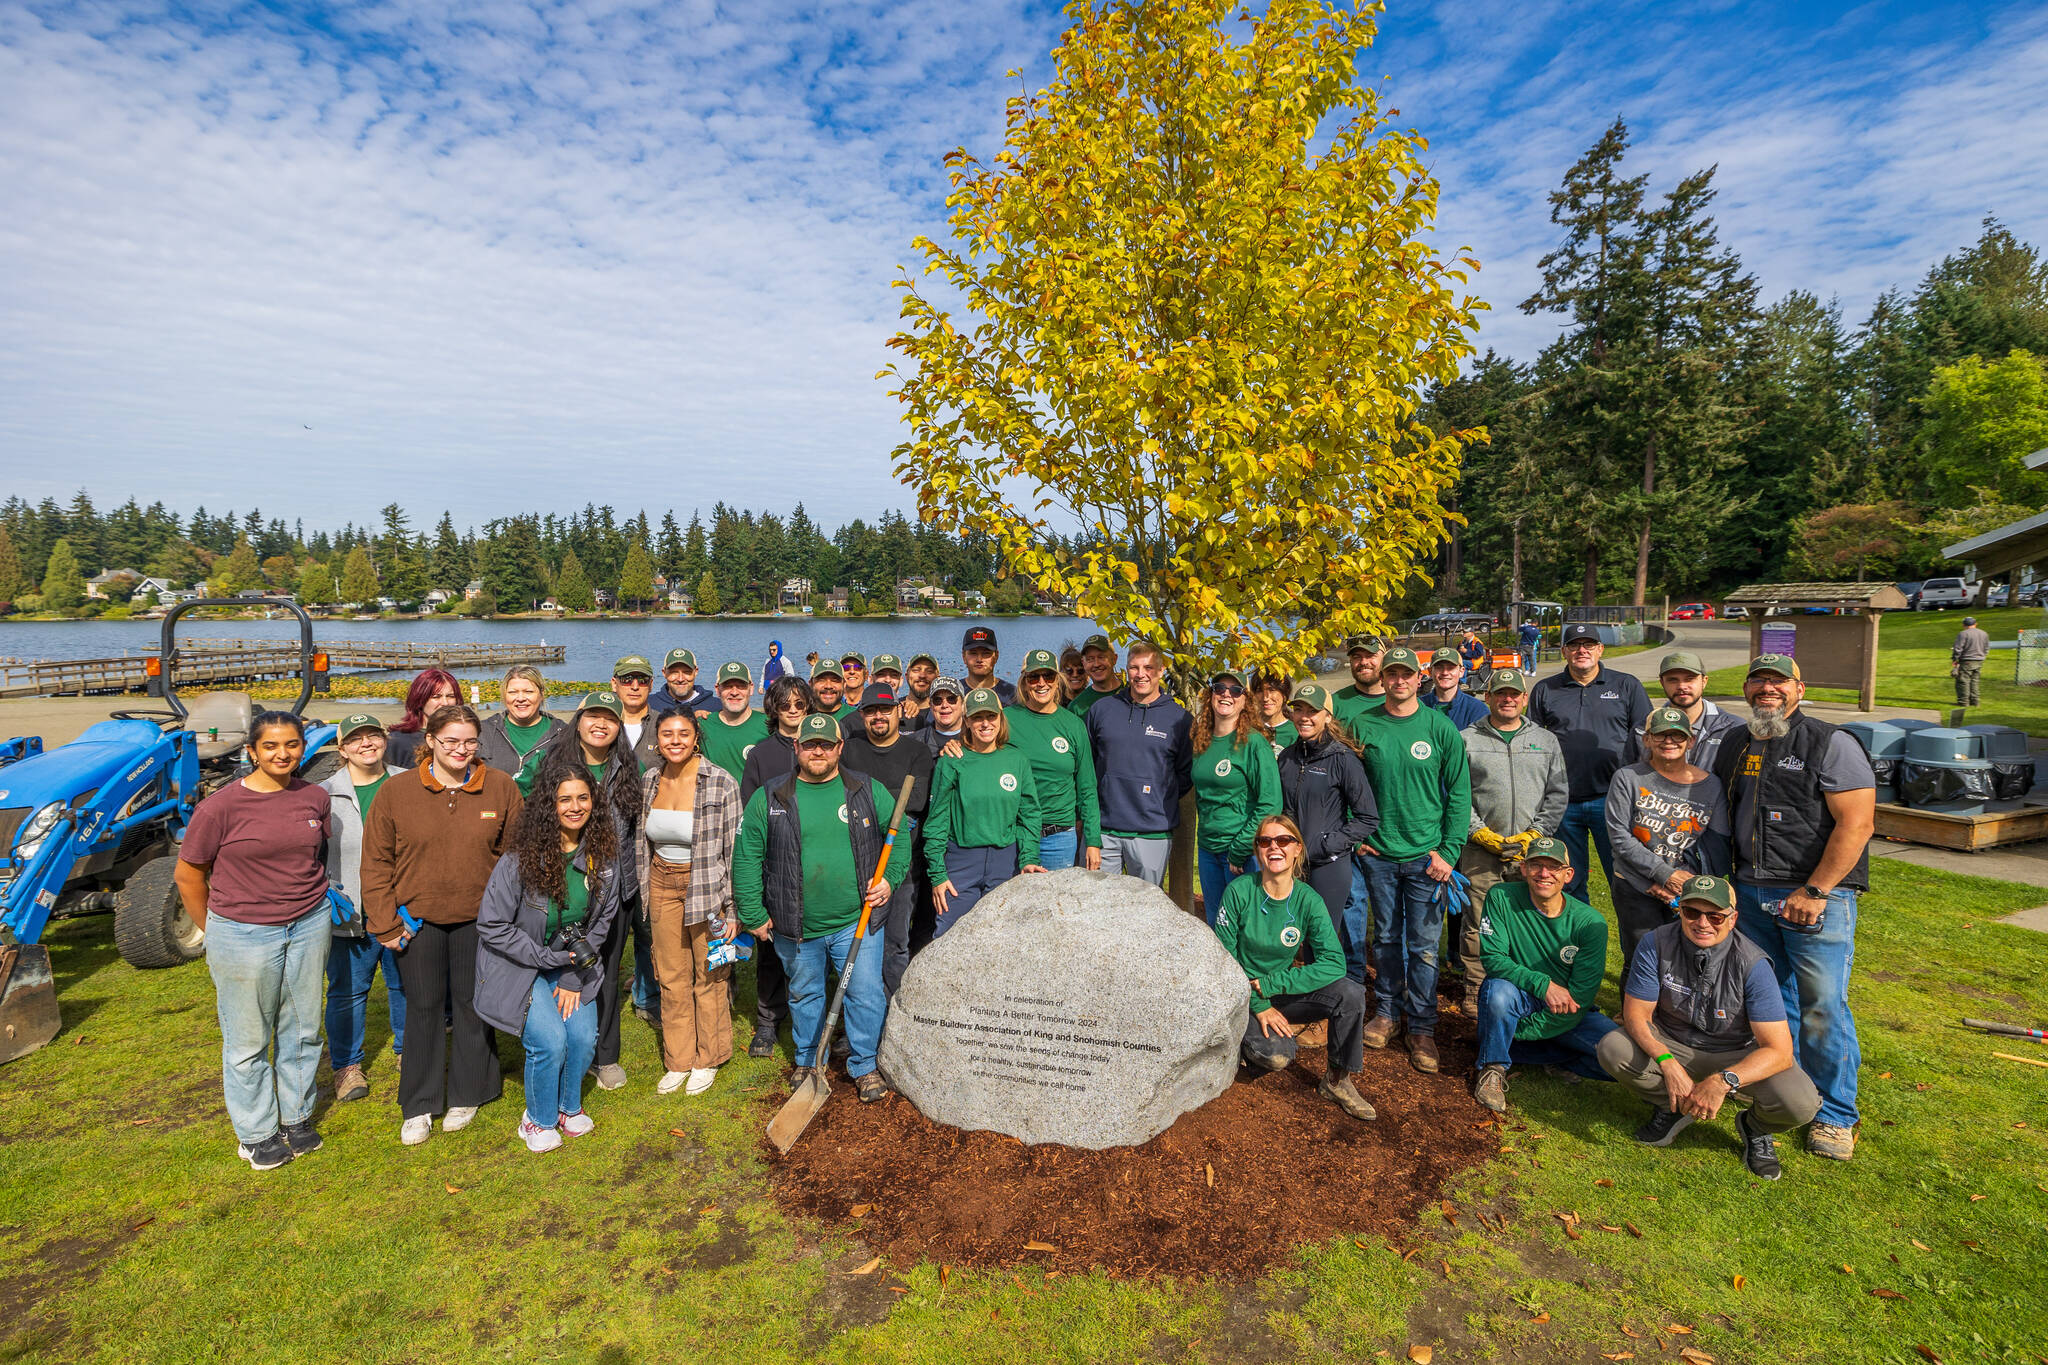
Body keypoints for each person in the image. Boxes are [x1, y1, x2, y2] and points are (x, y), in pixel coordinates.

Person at [1711, 654, 1875, 1163]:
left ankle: (1836, 1114)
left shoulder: (1831, 742)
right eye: (1759, 682)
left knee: (1822, 1005)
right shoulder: (1737, 743)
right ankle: (1789, 1094)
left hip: (1813, 896)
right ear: (1746, 689)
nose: (1767, 690)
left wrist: (1818, 890)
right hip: (1751, 893)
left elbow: (1857, 824)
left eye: (1778, 683)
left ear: (1799, 689)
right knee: (1771, 1003)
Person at [175, 711, 333, 1171]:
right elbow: (188, 876)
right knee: (248, 1040)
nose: (282, 754)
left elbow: (312, 857)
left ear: (303, 747)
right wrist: (218, 932)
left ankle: (296, 1118)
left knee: (302, 1028)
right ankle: (257, 1133)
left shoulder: (314, 797)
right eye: (270, 746)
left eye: (291, 745)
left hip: (308, 923)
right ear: (252, 752)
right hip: (243, 932)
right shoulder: (220, 808)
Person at [362, 704, 523, 1146]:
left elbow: (516, 860)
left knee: (474, 1006)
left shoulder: (501, 788)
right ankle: (419, 1102)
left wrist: (511, 919)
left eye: (470, 742)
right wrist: (385, 923)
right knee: (424, 1007)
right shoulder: (397, 792)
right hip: (418, 922)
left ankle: (471, 1090)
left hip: (481, 922)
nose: (461, 750)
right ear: (429, 740)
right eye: (450, 741)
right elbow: (376, 862)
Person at [1597, 874, 1822, 1181]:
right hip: (1672, 1042)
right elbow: (1636, 1016)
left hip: (1734, 1054)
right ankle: (1673, 1105)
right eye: (1692, 912)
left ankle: (1755, 1128)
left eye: (1715, 915)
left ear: (1732, 919)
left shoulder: (1753, 963)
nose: (1702, 923)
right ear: (1681, 911)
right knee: (1612, 1047)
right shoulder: (1655, 943)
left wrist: (1723, 1081)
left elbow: (1780, 1052)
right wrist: (1668, 1065)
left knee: (1800, 1102)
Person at [732, 713, 909, 1102]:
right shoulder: (770, 796)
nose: (817, 751)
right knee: (805, 994)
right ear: (796, 747)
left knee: (865, 993)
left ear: (839, 748)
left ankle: (864, 1065)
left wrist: (889, 879)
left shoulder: (866, 790)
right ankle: (810, 1060)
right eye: (809, 744)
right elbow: (745, 858)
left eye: (825, 745)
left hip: (856, 920)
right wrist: (752, 913)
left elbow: (900, 839)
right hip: (796, 925)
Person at [472, 768, 622, 1152]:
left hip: (572, 964)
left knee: (583, 1038)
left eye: (583, 798)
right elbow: (492, 925)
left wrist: (573, 975)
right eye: (564, 799)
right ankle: (536, 1121)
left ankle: (568, 1108)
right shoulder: (519, 860)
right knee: (551, 1041)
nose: (575, 807)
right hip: (520, 964)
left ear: (595, 802)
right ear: (548, 806)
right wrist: (545, 957)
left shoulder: (603, 856)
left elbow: (602, 922)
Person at [1353, 646, 1472, 1074]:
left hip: (1427, 859)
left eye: (1407, 674)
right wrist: (1357, 835)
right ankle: (1385, 1013)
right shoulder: (1363, 724)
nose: (1399, 681)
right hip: (1380, 855)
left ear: (1418, 678)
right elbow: (1347, 782)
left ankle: (1421, 1027)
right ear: (1383, 679)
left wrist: (1450, 852)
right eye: (1392, 674)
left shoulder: (1439, 728)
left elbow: (1459, 796)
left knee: (1423, 949)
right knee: (1384, 939)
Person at [1212, 815, 1377, 1121]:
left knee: (1350, 993)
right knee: (1276, 1055)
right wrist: (1260, 1004)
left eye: (1283, 841)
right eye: (1265, 841)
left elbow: (1334, 962)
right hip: (1240, 994)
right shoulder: (1239, 891)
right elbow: (1222, 959)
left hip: (1276, 989)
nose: (1274, 847)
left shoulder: (1307, 899)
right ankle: (1235, 1048)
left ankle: (1337, 1081)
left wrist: (1275, 985)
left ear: (1297, 849)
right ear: (1257, 851)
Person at [536, 691, 646, 1088]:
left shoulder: (627, 768)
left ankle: (605, 1055)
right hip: (565, 885)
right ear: (578, 721)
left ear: (619, 727)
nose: (600, 724)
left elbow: (634, 831)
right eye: (592, 716)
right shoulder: (555, 763)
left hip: (616, 889)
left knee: (608, 973)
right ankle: (559, 1046)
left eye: (610, 719)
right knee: (560, 966)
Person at [637, 709, 743, 1096]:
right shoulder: (650, 781)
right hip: (662, 883)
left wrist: (734, 908)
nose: (676, 740)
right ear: (658, 739)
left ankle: (709, 1056)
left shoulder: (720, 782)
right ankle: (679, 1058)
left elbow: (735, 850)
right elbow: (642, 843)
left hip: (707, 886)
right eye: (667, 734)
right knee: (671, 974)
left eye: (683, 733)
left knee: (711, 973)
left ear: (696, 737)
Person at [1471, 837, 1617, 1113]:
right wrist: (1544, 984)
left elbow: (1581, 997)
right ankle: (1493, 1067)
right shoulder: (1501, 896)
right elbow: (1493, 959)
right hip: (1519, 995)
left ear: (1568, 874)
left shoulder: (1591, 923)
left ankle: (1526, 1050)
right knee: (1497, 994)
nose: (1544, 874)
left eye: (1554, 867)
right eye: (1537, 865)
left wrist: (1525, 1031)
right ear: (1524, 869)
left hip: (1566, 1009)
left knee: (1618, 1060)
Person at [1456, 667, 1567, 1015]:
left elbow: (1558, 792)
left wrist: (1536, 835)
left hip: (1533, 853)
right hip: (1480, 850)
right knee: (1478, 922)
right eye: (1500, 693)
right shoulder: (1466, 739)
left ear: (1524, 699)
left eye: (1514, 694)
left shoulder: (1546, 741)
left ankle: (1529, 986)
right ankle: (1476, 989)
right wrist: (1478, 832)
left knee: (1530, 920)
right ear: (1487, 698)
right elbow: (1458, 795)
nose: (1507, 699)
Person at [1528, 623, 1652, 903]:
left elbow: (1647, 738)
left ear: (1600, 649)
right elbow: (1532, 742)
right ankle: (1574, 942)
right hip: (1562, 800)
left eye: (1588, 645)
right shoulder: (1546, 689)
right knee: (1568, 881)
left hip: (1612, 798)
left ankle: (1633, 941)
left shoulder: (1626, 685)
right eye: (1574, 645)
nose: (1581, 650)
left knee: (1623, 877)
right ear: (1564, 651)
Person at [321, 713, 408, 1103]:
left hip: (403, 908)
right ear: (342, 748)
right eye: (356, 739)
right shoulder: (323, 795)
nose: (366, 744)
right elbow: (310, 851)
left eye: (373, 735)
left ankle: (410, 1052)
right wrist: (324, 886)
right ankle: (347, 1067)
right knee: (347, 991)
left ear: (386, 739)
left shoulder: (409, 782)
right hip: (350, 914)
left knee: (405, 985)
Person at [1605, 707, 1732, 965]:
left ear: (1691, 741)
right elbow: (1619, 837)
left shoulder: (1711, 785)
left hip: (1688, 890)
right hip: (1636, 886)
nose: (1669, 741)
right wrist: (1662, 876)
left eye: (1678, 736)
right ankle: (1636, 1007)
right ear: (1647, 739)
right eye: (1661, 735)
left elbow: (1717, 843)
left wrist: (1691, 886)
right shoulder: (1627, 778)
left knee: (1687, 961)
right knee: (1641, 960)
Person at [840, 682, 936, 995]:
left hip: (902, 866)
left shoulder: (917, 751)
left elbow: (917, 800)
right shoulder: (850, 749)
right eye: (871, 711)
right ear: (862, 715)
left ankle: (894, 1011)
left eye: (885, 709)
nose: (878, 716)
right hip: (856, 862)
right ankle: (862, 1009)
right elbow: (840, 794)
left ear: (898, 711)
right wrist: (891, 799)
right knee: (859, 943)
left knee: (896, 943)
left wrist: (864, 794)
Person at [736, 674, 814, 1059]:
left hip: (813, 863)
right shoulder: (761, 754)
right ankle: (768, 1020)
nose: (794, 712)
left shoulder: (821, 747)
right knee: (769, 946)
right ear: (774, 709)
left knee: (812, 946)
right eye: (786, 705)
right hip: (774, 862)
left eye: (800, 705)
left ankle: (813, 1018)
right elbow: (751, 810)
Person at [925, 689, 1045, 935]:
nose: (985, 723)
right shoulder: (952, 760)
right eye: (978, 717)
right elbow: (937, 820)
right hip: (961, 861)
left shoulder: (1016, 759)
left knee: (1003, 935)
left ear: (1000, 718)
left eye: (991, 716)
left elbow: (1030, 815)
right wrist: (937, 873)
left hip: (1005, 860)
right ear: (967, 721)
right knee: (949, 934)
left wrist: (1029, 858)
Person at [1084, 640, 1193, 885]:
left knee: (1146, 910)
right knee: (1098, 908)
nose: (1141, 674)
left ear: (1161, 670)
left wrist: (1155, 795)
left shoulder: (1180, 719)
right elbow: (1087, 767)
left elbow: (1184, 774)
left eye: (1148, 668)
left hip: (1152, 831)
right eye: (1134, 668)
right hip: (1104, 831)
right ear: (1126, 669)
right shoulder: (1102, 710)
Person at [1275, 682, 1380, 932]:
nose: (1304, 717)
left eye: (1312, 711)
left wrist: (1327, 844)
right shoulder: (1287, 758)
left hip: (1327, 865)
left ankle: (1336, 973)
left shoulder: (1343, 759)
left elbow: (1368, 817)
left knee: (1321, 938)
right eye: (1299, 709)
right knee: (1289, 934)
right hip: (1290, 862)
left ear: (1327, 716)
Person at [1191, 668, 1280, 924]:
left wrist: (1240, 848)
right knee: (1216, 921)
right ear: (1210, 695)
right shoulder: (1201, 741)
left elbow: (1270, 803)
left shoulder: (1254, 743)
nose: (1226, 694)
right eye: (1219, 688)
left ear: (1244, 700)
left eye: (1235, 690)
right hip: (1208, 849)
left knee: (1245, 922)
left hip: (1242, 853)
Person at [1004, 649, 1103, 873]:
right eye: (1033, 677)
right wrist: (951, 747)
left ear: (1057, 680)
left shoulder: (1073, 724)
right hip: (1015, 834)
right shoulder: (1006, 719)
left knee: (1058, 906)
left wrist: (1093, 841)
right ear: (1024, 681)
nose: (1041, 683)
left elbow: (1087, 787)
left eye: (1048, 676)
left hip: (1059, 839)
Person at [1655, 650, 1744, 772]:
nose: (1682, 686)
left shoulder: (1734, 728)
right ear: (1662, 683)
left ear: (1704, 681)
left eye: (1689, 679)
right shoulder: (1644, 729)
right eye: (1673, 680)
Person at [478, 665, 563, 786]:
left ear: (541, 694)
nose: (520, 698)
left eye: (528, 692)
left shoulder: (562, 733)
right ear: (504, 695)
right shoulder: (484, 731)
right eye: (513, 692)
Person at [699, 661, 770, 778]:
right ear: (717, 690)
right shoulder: (703, 725)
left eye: (741, 686)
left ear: (751, 688)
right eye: (727, 686)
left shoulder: (769, 725)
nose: (734, 692)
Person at [384, 667, 462, 768]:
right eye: (436, 697)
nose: (445, 703)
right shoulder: (398, 741)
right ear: (420, 700)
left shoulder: (464, 736)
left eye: (451, 696)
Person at [611, 655, 661, 772]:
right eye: (626, 679)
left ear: (651, 685)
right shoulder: (601, 726)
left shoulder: (663, 724)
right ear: (614, 684)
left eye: (643, 680)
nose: (635, 686)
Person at [1330, 634, 1387, 731]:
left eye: (1371, 656)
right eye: (1357, 657)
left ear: (1384, 659)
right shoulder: (1334, 704)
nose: (1363, 662)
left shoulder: (1399, 700)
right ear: (1350, 661)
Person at [1423, 648, 1488, 729]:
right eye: (1439, 667)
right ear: (1430, 672)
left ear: (1461, 671)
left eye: (1451, 668)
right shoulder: (1418, 706)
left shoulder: (1477, 710)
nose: (1445, 673)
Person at [960, 624, 1017, 705]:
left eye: (986, 653)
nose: (979, 659)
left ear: (996, 656)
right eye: (973, 653)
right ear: (964, 657)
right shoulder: (954, 694)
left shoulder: (1012, 695)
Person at [651, 648, 716, 717]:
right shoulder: (649, 704)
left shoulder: (716, 706)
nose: (680, 679)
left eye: (686, 672)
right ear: (664, 673)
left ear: (696, 671)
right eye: (674, 672)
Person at [1067, 633, 1120, 716]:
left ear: (1114, 659)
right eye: (1090, 659)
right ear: (1083, 663)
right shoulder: (1076, 708)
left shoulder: (1132, 692)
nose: (1096, 664)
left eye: (1101, 657)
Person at [916, 676, 968, 756]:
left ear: (962, 704)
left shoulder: (977, 738)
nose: (944, 705)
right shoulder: (915, 742)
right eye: (937, 700)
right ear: (931, 705)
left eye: (951, 699)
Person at [1253, 668, 1297, 752]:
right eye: (1260, 690)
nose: (1265, 698)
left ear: (1284, 694)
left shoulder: (1296, 731)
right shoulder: (1248, 729)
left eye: (1272, 690)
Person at [1951, 616, 1991, 707]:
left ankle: (1964, 702)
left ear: (1963, 625)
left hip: (1966, 660)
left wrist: (1955, 659)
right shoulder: (1984, 633)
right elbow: (1987, 648)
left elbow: (1958, 648)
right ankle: (1975, 701)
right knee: (1975, 681)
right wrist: (1983, 656)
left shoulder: (1963, 634)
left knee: (1963, 681)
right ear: (1976, 624)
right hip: (1979, 660)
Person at [809, 659, 857, 728]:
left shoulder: (857, 716)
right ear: (811, 684)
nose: (828, 686)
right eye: (821, 680)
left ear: (844, 684)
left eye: (835, 680)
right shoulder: (802, 716)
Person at [901, 651, 940, 729]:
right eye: (916, 670)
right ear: (907, 676)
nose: (922, 675)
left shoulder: (944, 712)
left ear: (937, 678)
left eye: (929, 671)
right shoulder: (895, 708)